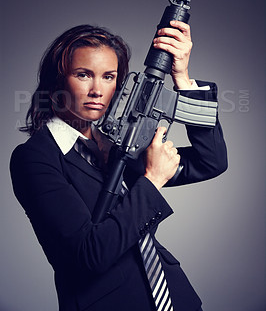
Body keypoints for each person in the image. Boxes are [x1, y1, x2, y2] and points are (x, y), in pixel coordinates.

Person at [10, 21, 227, 311]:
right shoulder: (35, 158)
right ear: (57, 81)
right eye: (83, 74)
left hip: (177, 299)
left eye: (109, 76)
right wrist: (151, 181)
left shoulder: (116, 144)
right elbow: (90, 253)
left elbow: (210, 161)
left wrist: (182, 77)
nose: (97, 89)